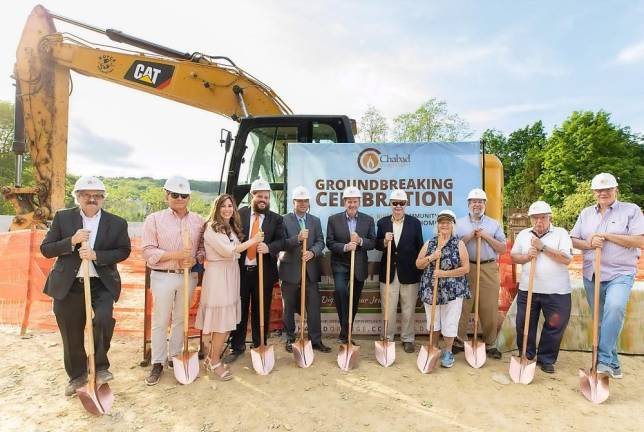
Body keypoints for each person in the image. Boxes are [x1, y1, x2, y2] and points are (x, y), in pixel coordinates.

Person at [41, 176, 131, 396]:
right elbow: (46, 249)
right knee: (71, 332)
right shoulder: (63, 218)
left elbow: (123, 251)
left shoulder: (117, 222)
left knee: (102, 320)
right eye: (87, 195)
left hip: (101, 284)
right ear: (78, 196)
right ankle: (77, 376)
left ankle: (100, 367)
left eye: (97, 196)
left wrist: (96, 255)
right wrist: (71, 241)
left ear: (103, 199)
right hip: (69, 285)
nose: (92, 199)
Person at [570, 173, 644, 379]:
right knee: (600, 321)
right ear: (594, 192)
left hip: (620, 273)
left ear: (615, 190)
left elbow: (640, 241)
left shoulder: (631, 211)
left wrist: (607, 236)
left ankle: (602, 360)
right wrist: (589, 244)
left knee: (615, 308)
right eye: (599, 190)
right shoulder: (586, 214)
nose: (603, 193)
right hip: (591, 274)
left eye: (608, 189)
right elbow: (574, 240)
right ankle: (614, 364)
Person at [141, 176, 205, 385]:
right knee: (161, 320)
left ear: (189, 197)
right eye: (174, 195)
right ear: (166, 195)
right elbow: (148, 251)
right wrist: (176, 255)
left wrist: (196, 258)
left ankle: (175, 356)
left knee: (181, 318)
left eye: (183, 195)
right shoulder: (154, 219)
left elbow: (203, 249)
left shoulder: (198, 221)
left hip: (188, 277)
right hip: (163, 276)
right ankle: (158, 362)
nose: (179, 198)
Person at [195, 194, 263, 380]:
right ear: (216, 209)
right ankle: (214, 360)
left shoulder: (228, 228)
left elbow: (235, 252)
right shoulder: (211, 227)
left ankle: (211, 358)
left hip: (230, 273)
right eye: (223, 206)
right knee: (221, 321)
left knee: (227, 320)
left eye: (230, 206)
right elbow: (229, 251)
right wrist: (254, 240)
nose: (227, 209)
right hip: (218, 276)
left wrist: (242, 247)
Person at [224, 179, 284, 363]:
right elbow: (229, 239)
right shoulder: (239, 215)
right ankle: (237, 346)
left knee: (261, 309)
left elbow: (281, 241)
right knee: (240, 309)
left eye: (266, 197)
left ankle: (260, 344)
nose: (263, 200)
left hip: (263, 273)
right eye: (260, 196)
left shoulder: (276, 219)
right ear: (252, 196)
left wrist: (269, 248)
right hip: (241, 271)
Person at [510, 201, 572, 374]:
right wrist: (526, 256)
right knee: (524, 323)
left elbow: (566, 259)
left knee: (555, 325)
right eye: (535, 218)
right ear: (530, 219)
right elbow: (514, 256)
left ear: (549, 217)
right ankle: (526, 355)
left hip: (557, 291)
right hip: (528, 289)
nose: (539, 221)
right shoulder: (523, 234)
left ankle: (546, 359)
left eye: (543, 217)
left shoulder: (561, 234)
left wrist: (542, 247)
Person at [455, 188, 507, 359]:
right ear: (468, 204)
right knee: (463, 305)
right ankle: (459, 341)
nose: (477, 204)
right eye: (473, 201)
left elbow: (502, 248)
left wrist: (486, 237)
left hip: (488, 267)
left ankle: (491, 342)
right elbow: (454, 247)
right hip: (465, 266)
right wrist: (470, 236)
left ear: (485, 204)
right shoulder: (460, 223)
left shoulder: (493, 224)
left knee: (489, 306)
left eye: (480, 201)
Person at [279, 186, 331, 353]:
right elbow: (281, 243)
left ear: (309, 203)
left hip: (310, 270)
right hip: (290, 270)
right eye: (299, 201)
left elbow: (320, 241)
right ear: (293, 202)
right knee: (288, 306)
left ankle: (315, 340)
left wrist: (313, 252)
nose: (303, 203)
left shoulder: (315, 220)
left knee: (314, 307)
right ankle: (289, 338)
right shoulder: (284, 220)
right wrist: (297, 238)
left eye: (305, 201)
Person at [416, 209, 470, 368]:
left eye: (447, 222)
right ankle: (433, 349)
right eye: (441, 222)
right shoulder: (430, 243)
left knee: (450, 323)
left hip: (453, 291)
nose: (444, 225)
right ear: (437, 225)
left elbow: (466, 268)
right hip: (431, 289)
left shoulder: (458, 243)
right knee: (433, 322)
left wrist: (444, 273)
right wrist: (431, 257)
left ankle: (448, 352)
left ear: (453, 225)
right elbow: (418, 264)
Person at [326, 186, 376, 345]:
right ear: (344, 202)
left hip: (359, 265)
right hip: (340, 264)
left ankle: (345, 333)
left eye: (355, 201)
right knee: (341, 292)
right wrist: (346, 247)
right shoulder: (333, 219)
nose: (352, 204)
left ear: (359, 202)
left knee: (353, 300)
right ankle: (345, 331)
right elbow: (330, 242)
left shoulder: (368, 220)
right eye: (349, 201)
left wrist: (360, 241)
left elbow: (373, 242)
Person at [375, 189, 423, 353]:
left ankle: (408, 338)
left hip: (409, 272)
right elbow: (376, 244)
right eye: (395, 203)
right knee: (388, 308)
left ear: (406, 204)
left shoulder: (415, 223)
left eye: (401, 203)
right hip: (388, 273)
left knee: (408, 308)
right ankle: (387, 337)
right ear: (390, 204)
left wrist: (420, 269)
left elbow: (419, 247)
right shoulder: (382, 223)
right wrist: (384, 241)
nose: (398, 206)